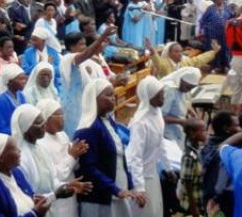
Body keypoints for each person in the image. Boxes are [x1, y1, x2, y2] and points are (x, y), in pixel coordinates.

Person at [74, 79, 144, 216]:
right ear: (94, 99)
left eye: (113, 95)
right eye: (108, 95)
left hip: (118, 192)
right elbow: (89, 169)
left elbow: (120, 160)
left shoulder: (109, 122)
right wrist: (116, 189)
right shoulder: (88, 129)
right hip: (100, 199)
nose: (113, 98)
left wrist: (131, 187)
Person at [10, 104, 91, 214]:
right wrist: (55, 195)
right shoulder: (22, 157)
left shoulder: (40, 150)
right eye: (38, 123)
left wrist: (66, 186)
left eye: (43, 120)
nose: (43, 125)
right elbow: (30, 196)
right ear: (26, 128)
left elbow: (52, 180)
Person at [35, 99, 89, 217]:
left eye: (63, 114)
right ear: (47, 118)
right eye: (59, 115)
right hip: (57, 199)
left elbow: (74, 165)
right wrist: (71, 156)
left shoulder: (62, 135)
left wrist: (78, 152)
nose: (63, 118)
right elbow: (53, 176)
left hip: (70, 191)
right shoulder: (41, 143)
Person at [126, 77, 165, 217]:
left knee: (156, 211)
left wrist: (168, 166)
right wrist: (140, 189)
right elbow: (135, 157)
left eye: (163, 93)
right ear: (150, 97)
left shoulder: (157, 113)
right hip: (141, 177)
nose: (163, 97)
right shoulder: (140, 123)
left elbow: (161, 142)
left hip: (152, 174)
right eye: (159, 94)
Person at [200, 111, 239, 216]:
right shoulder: (224, 152)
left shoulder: (209, 145)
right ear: (226, 128)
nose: (240, 129)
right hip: (219, 203)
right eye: (237, 125)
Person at [159, 66, 201, 147]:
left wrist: (193, 113)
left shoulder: (184, 88)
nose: (188, 90)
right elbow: (160, 116)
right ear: (180, 80)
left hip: (177, 127)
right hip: (165, 129)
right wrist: (181, 121)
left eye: (191, 88)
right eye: (187, 87)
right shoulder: (170, 90)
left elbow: (185, 102)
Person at [146, 38, 220, 79]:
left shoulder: (184, 63)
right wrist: (151, 49)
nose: (180, 54)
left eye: (181, 52)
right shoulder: (164, 64)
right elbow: (158, 62)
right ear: (169, 53)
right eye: (176, 52)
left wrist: (214, 52)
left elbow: (199, 59)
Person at [177, 120, 207, 217]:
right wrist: (193, 208)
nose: (206, 133)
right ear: (193, 134)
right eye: (203, 131)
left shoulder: (199, 150)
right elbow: (187, 183)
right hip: (191, 204)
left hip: (200, 199)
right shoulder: (189, 156)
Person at [0, 65, 28, 135]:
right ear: (9, 82)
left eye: (24, 78)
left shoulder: (21, 96)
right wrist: (18, 132)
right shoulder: (1, 101)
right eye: (20, 79)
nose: (24, 81)